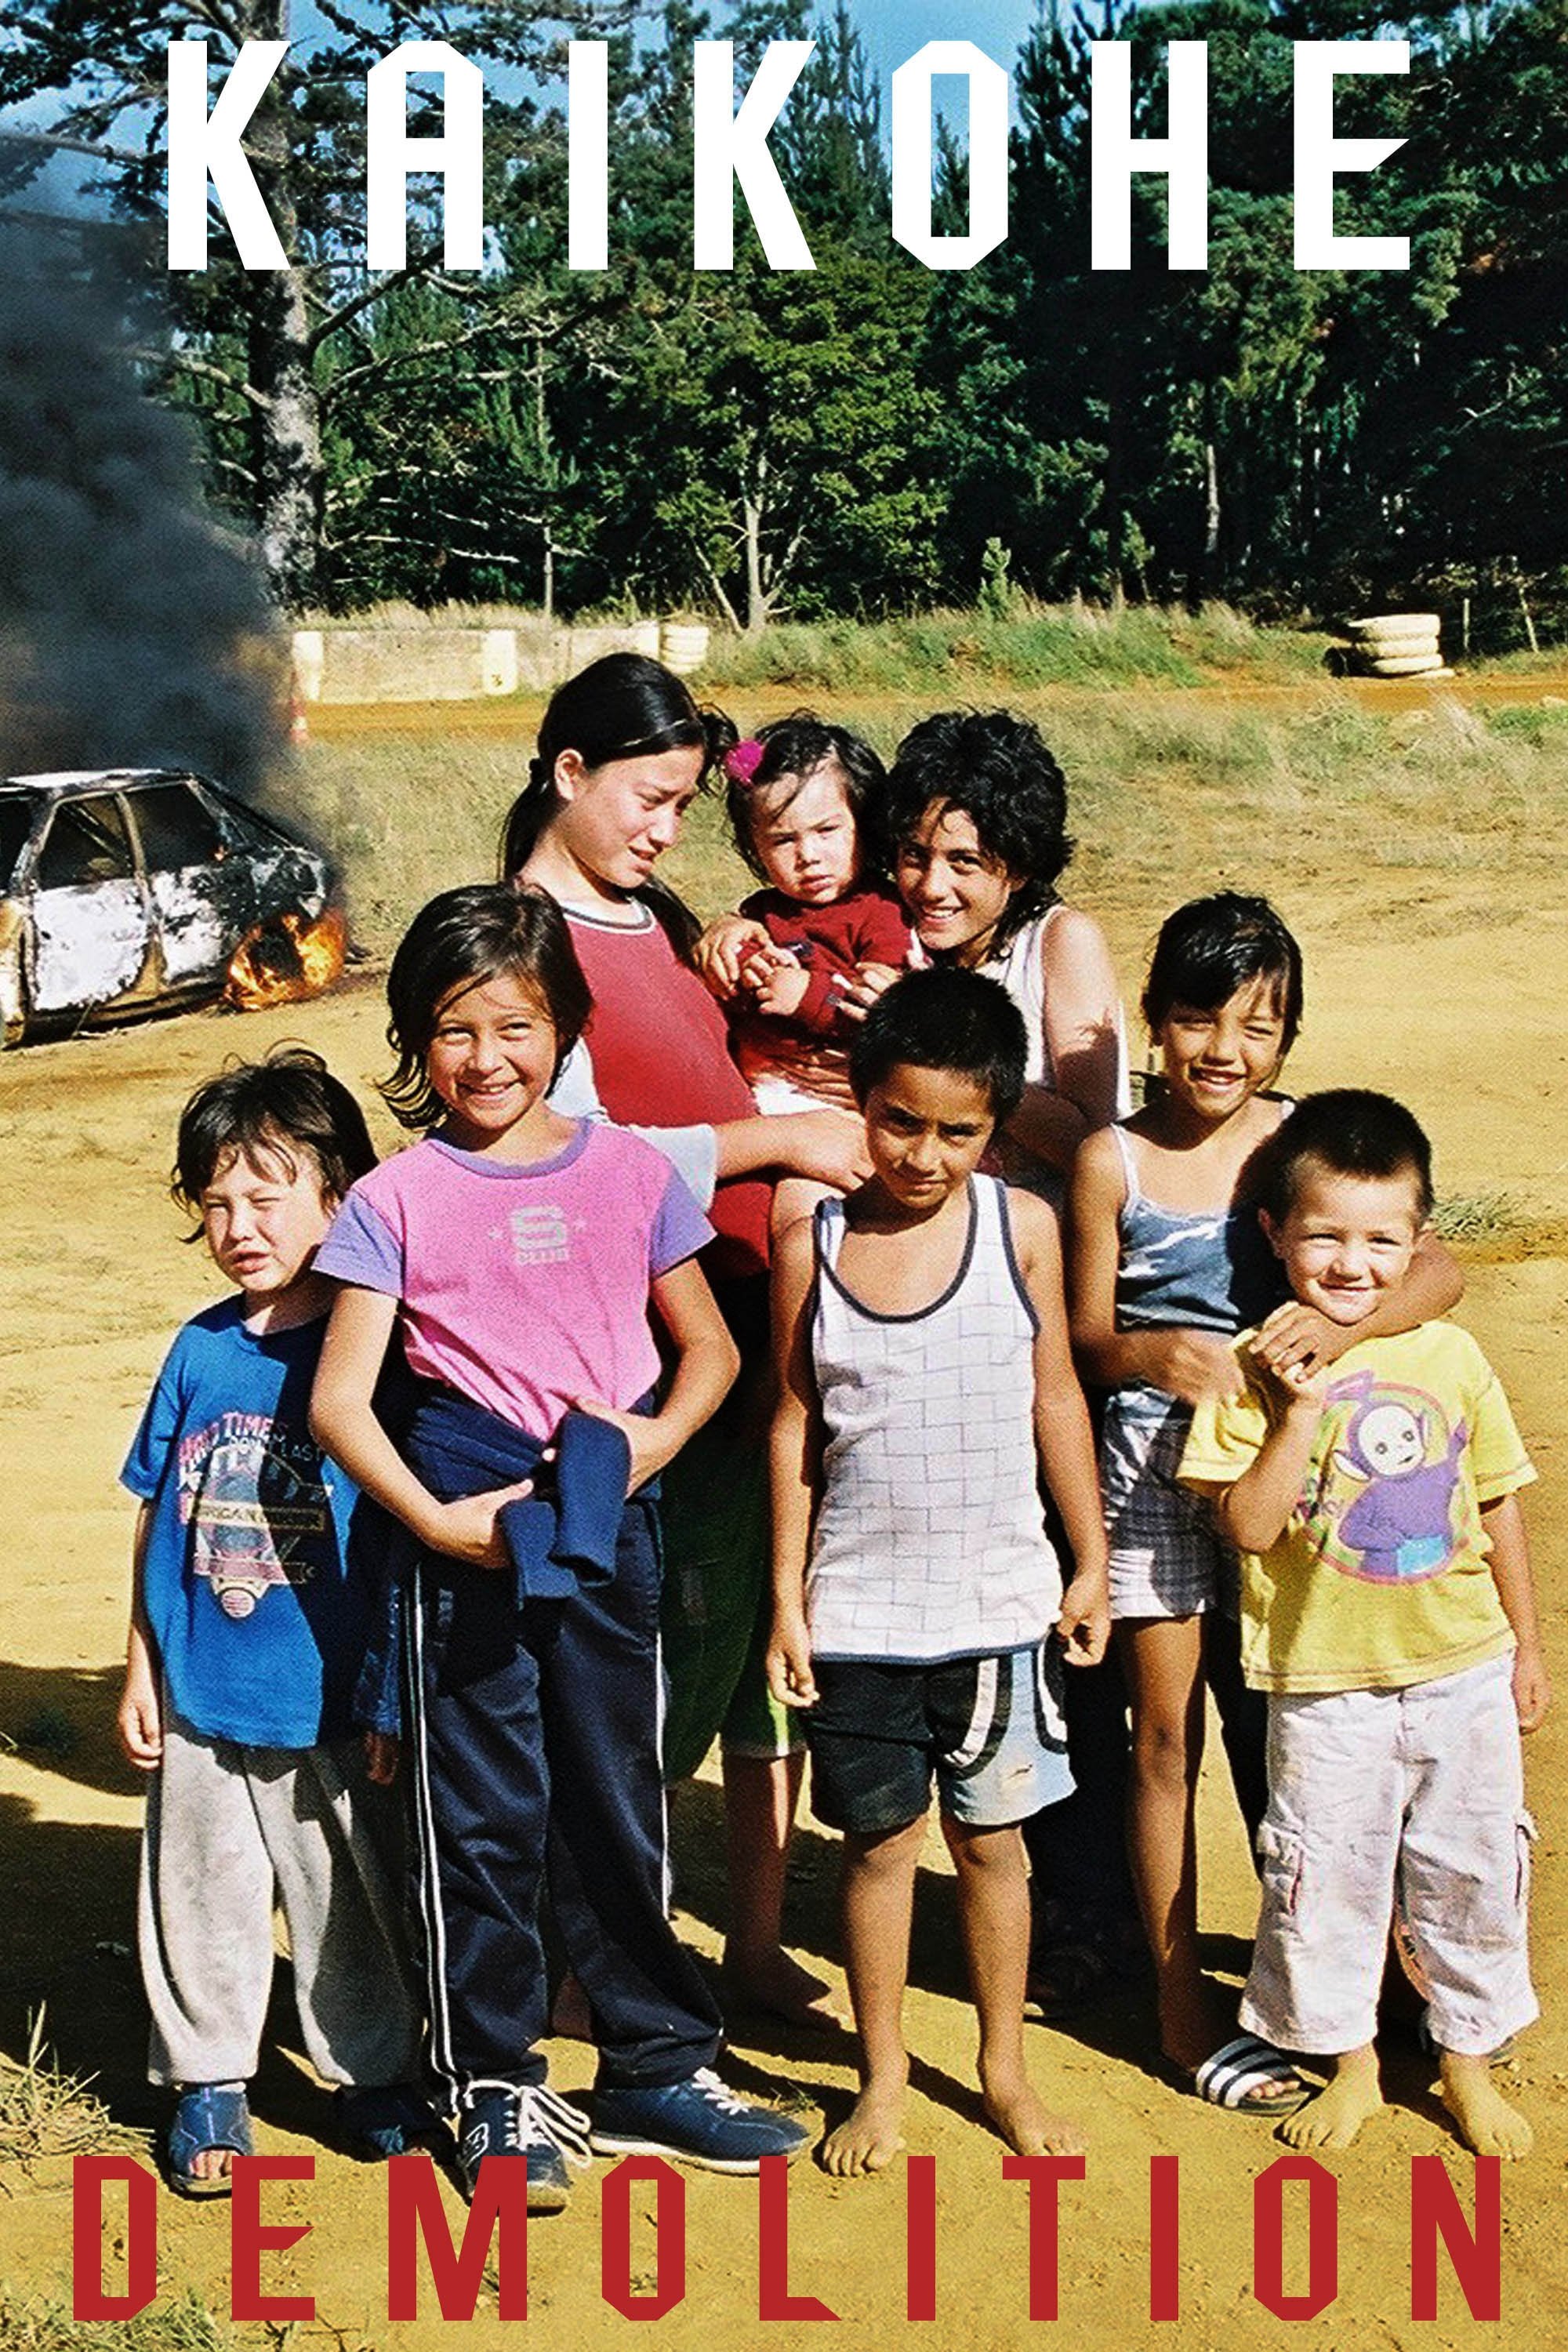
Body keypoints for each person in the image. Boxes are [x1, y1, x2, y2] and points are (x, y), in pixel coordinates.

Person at [309, 884, 809, 2205]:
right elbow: (340, 1401)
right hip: (466, 1521)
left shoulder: (628, 1171)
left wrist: (651, 1444)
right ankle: (495, 2086)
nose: (487, 1057)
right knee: (478, 1816)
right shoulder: (397, 1198)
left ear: (566, 1028)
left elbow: (706, 1349)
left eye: (516, 1025)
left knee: (615, 1795)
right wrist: (429, 1523)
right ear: (418, 1040)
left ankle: (650, 2062)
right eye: (455, 1029)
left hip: (606, 1517)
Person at [503, 653, 869, 2030]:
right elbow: (573, 1154)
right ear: (569, 774)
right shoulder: (519, 936)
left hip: (733, 1320)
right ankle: (592, 1958)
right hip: (640, 1345)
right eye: (647, 798)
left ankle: (721, 1941)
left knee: (732, 1645)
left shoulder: (652, 912)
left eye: (679, 803)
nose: (665, 827)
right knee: (643, 1655)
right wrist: (778, 1139)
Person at [1069, 896, 1465, 2111]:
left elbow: (1431, 1266)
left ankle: (1360, 1986)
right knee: (1166, 1742)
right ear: (1154, 1021)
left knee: (1312, 1736)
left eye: (1258, 1025)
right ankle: (1183, 2005)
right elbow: (1084, 1337)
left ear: (1288, 1036)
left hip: (1303, 1477)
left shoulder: (1303, 1138)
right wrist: (1152, 1357)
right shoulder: (1111, 1159)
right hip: (1147, 1483)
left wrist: (1343, 1317)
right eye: (1196, 1019)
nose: (1224, 1050)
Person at [768, 967, 1112, 2174]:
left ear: (996, 1124)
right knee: (876, 1849)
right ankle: (882, 2077)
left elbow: (1057, 1396)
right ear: (861, 1102)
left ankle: (1002, 2070)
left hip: (1000, 1607)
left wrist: (1091, 1559)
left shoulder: (1023, 1226)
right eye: (898, 1121)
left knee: (994, 1848)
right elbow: (793, 1424)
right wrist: (785, 1602)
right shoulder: (807, 1232)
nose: (923, 1153)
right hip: (858, 1613)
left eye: (959, 1131)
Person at [1180, 1091, 1548, 2157]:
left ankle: (1465, 2061)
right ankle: (1350, 2066)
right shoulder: (1252, 1373)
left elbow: (1496, 1505)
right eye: (1325, 1236)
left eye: (1382, 1240)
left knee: (1471, 1868)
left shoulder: (1450, 1356)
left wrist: (1526, 1647)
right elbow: (1248, 1528)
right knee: (1326, 1874)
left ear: (1418, 1240)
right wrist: (1297, 1410)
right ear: (1274, 1236)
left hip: (1463, 1666)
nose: (1352, 1264)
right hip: (1321, 1678)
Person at [117, 1047, 429, 2198]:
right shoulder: (200, 1351)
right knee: (198, 1891)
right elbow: (158, 1513)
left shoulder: (372, 1351)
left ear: (338, 1194)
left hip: (333, 1698)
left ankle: (377, 2076)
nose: (240, 1225)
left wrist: (391, 1691)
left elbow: (400, 1539)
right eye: (217, 1202)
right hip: (204, 1691)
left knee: (350, 1896)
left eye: (268, 1195)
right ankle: (209, 2082)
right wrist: (142, 1663)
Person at [862, 708, 1134, 2012]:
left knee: (1078, 1634)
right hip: (934, 1325)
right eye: (915, 854)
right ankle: (1033, 1898)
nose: (934, 884)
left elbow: (1093, 1124)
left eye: (966, 860)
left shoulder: (1058, 944)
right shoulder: (886, 945)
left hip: (1059, 1320)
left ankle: (1094, 1922)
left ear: (1020, 866)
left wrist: (949, 1064)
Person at [693, 713, 910, 1114]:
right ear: (754, 847)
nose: (808, 856)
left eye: (826, 831)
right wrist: (743, 966)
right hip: (757, 1088)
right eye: (782, 840)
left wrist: (805, 994)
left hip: (835, 1099)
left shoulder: (883, 911)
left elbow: (883, 1006)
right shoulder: (760, 912)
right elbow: (728, 992)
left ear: (864, 824)